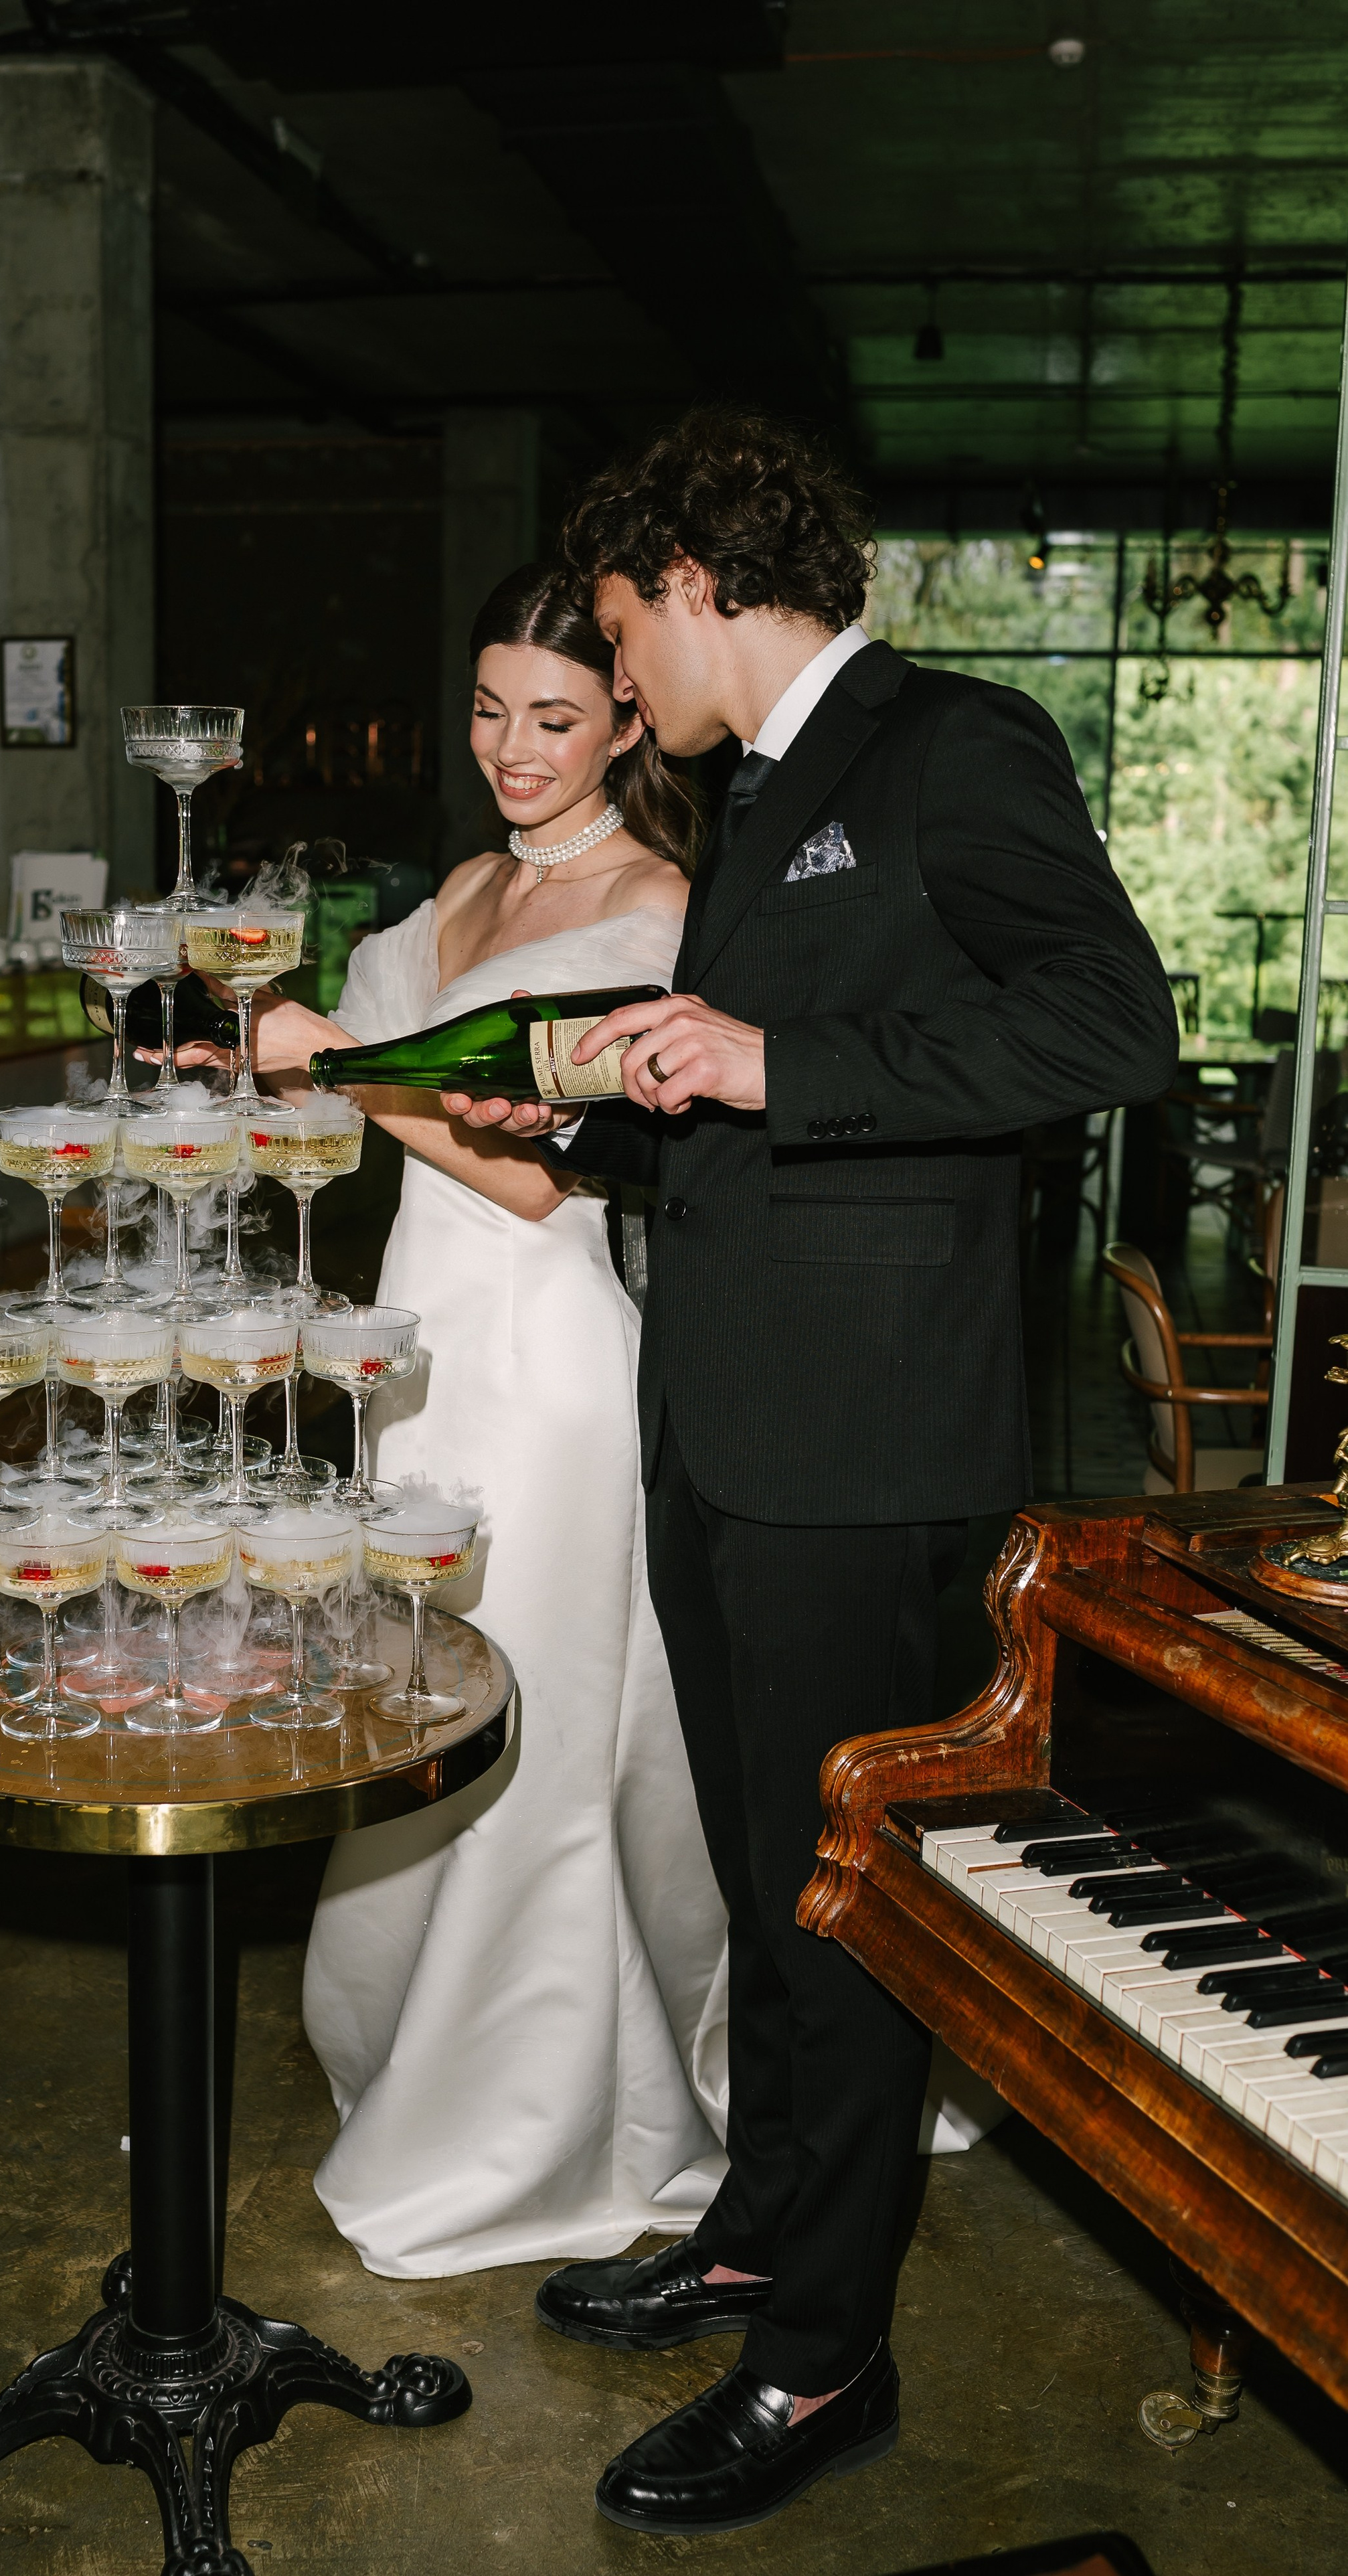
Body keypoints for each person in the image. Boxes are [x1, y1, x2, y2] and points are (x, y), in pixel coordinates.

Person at [448, 408, 1180, 2535]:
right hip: (732, 1426)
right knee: (780, 1872)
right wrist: (590, 1127)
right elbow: (747, 1102)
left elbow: (1114, 1027)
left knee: (856, 1905)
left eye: (615, 631)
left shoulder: (955, 746)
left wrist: (791, 1061)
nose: (619, 682)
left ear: (691, 577)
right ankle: (766, 2230)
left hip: (873, 1447)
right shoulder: (762, 801)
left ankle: (821, 2363)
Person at [175, 560, 735, 2274]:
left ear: (629, 711)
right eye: (488, 709)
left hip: (550, 1364)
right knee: (407, 1707)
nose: (511, 746)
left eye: (553, 716)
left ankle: (545, 2119)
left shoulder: (656, 910)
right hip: (411, 1367)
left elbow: (525, 1185)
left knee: (536, 1736)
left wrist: (331, 1057)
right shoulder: (463, 885)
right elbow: (375, 1132)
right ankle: (415, 2051)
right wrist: (254, 1095)